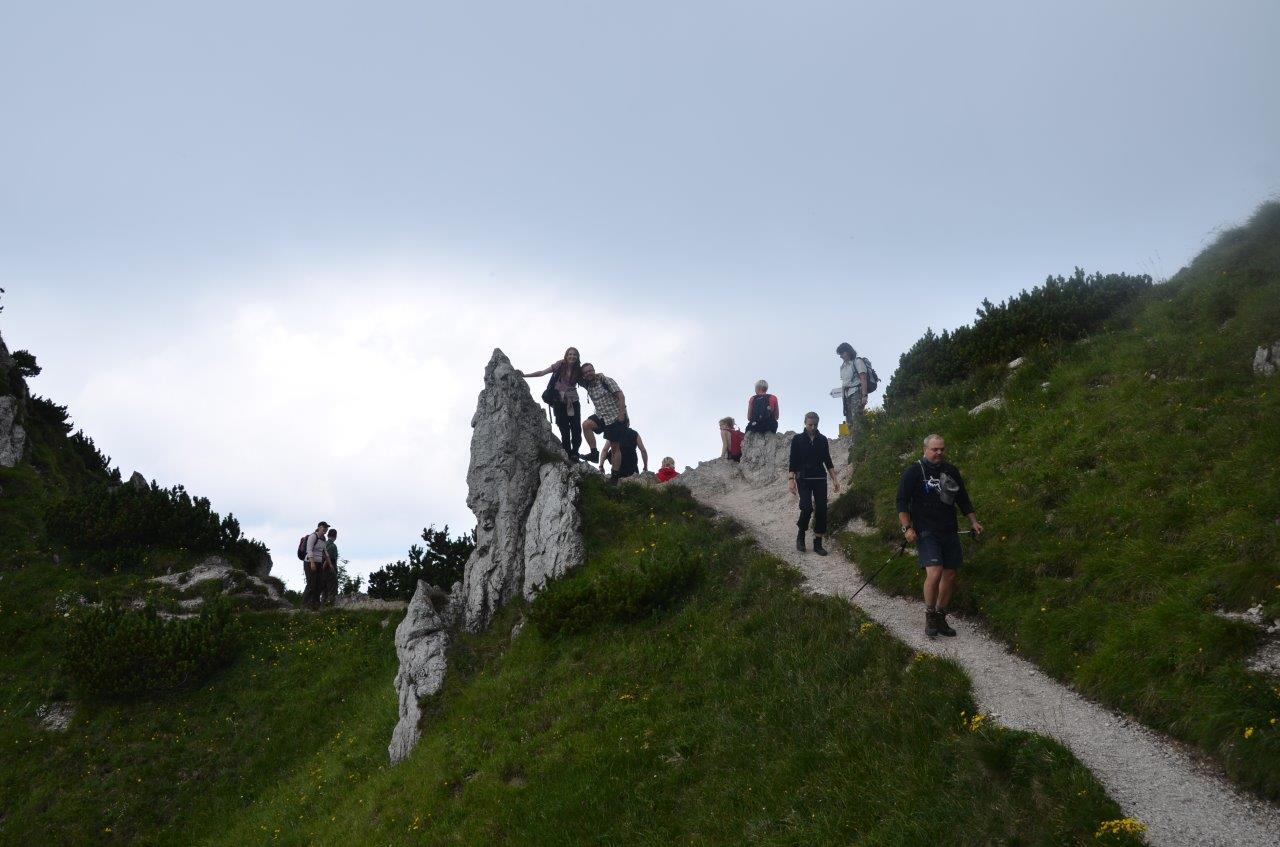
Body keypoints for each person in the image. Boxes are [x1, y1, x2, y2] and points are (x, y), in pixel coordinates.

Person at [896, 434, 983, 638]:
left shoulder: (950, 470)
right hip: (926, 530)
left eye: (942, 449)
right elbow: (901, 500)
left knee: (950, 575)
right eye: (935, 449)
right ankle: (930, 616)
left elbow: (963, 498)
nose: (939, 453)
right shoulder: (914, 471)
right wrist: (907, 528)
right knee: (934, 572)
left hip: (949, 529)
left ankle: (941, 615)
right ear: (924, 449)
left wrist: (973, 521)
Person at [787, 412, 841, 555]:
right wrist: (791, 480)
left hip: (820, 479)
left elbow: (828, 460)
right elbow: (793, 460)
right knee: (806, 507)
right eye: (810, 424)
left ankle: (818, 542)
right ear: (805, 423)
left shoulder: (822, 440)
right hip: (803, 478)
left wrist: (835, 479)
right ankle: (801, 535)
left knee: (822, 509)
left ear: (818, 424)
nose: (812, 427)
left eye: (815, 425)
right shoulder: (797, 439)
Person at [517, 347, 584, 458]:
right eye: (570, 354)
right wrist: (525, 375)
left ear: (577, 357)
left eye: (574, 355)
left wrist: (598, 376)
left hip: (573, 400)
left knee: (576, 427)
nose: (572, 356)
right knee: (564, 428)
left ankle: (575, 453)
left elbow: (588, 380)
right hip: (558, 400)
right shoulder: (560, 365)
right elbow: (542, 373)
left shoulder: (579, 370)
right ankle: (567, 453)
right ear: (566, 356)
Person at [579, 363, 629, 475]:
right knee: (586, 425)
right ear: (583, 375)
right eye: (586, 372)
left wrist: (622, 414)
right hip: (601, 416)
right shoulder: (587, 384)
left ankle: (615, 475)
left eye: (590, 371)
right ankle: (594, 453)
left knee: (615, 448)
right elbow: (572, 371)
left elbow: (621, 396)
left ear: (594, 370)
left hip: (614, 416)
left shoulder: (605, 380)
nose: (588, 373)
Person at [836, 342, 869, 437]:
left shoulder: (857, 362)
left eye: (842, 353)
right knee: (849, 420)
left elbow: (863, 378)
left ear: (848, 351)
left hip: (856, 392)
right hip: (846, 395)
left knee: (857, 418)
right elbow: (844, 382)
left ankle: (861, 440)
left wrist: (864, 395)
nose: (841, 356)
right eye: (840, 354)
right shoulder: (842, 367)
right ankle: (852, 441)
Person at [302, 521, 331, 611]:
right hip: (309, 562)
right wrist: (312, 563)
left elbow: (324, 551)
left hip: (319, 563)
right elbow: (309, 550)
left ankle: (315, 605)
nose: (325, 529)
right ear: (319, 527)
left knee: (319, 585)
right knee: (311, 584)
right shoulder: (313, 536)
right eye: (324, 527)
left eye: (326, 528)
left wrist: (329, 563)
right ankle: (305, 605)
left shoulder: (323, 539)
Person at [320, 527, 340, 606]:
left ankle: (322, 607)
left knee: (324, 591)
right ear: (335, 536)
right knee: (332, 591)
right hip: (330, 571)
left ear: (328, 535)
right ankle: (330, 608)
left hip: (322, 572)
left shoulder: (324, 544)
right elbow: (328, 559)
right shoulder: (332, 546)